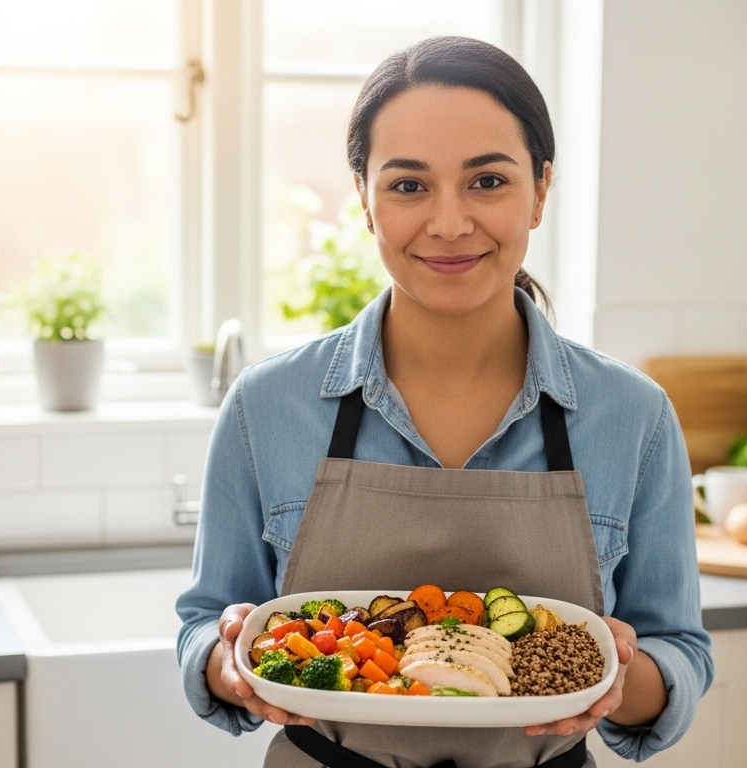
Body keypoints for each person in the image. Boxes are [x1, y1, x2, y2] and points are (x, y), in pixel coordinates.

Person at [176, 36, 712, 768]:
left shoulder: (633, 416)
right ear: (364, 199)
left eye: (488, 181)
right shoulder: (265, 406)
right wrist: (230, 660)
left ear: (540, 190)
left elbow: (677, 650)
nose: (450, 223)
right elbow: (206, 625)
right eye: (408, 185)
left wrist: (618, 678)